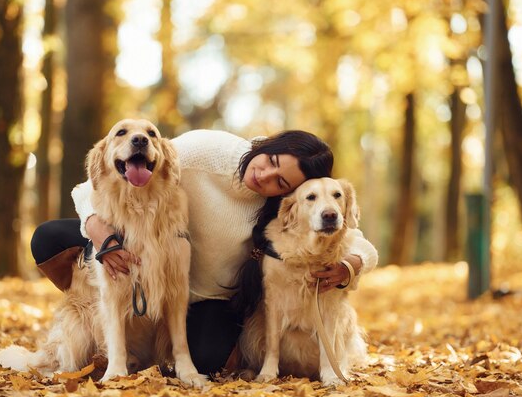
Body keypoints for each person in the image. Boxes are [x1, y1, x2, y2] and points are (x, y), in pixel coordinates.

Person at [30, 129, 379, 375]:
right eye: (271, 159)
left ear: (290, 192)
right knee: (48, 238)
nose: (265, 174)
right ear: (269, 144)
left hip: (205, 297)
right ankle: (94, 320)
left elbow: (356, 238)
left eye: (281, 181)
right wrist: (97, 228)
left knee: (209, 359)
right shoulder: (203, 150)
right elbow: (88, 187)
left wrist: (351, 264)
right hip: (148, 254)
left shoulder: (283, 209)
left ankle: (146, 339)